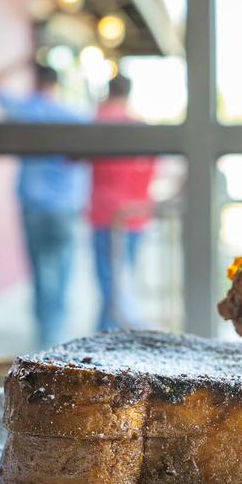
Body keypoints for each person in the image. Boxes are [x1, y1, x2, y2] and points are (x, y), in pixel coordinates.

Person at [0, 65, 89, 348]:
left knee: (39, 271)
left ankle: (45, 334)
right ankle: (55, 334)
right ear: (56, 84)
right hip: (65, 206)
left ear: (35, 80)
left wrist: (16, 62)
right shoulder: (73, 116)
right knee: (61, 271)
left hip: (34, 205)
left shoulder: (24, 111)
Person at [90, 73, 156, 330]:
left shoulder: (97, 123)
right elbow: (151, 167)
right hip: (136, 213)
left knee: (111, 286)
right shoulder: (138, 126)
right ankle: (108, 339)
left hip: (105, 213)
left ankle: (105, 342)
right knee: (122, 283)